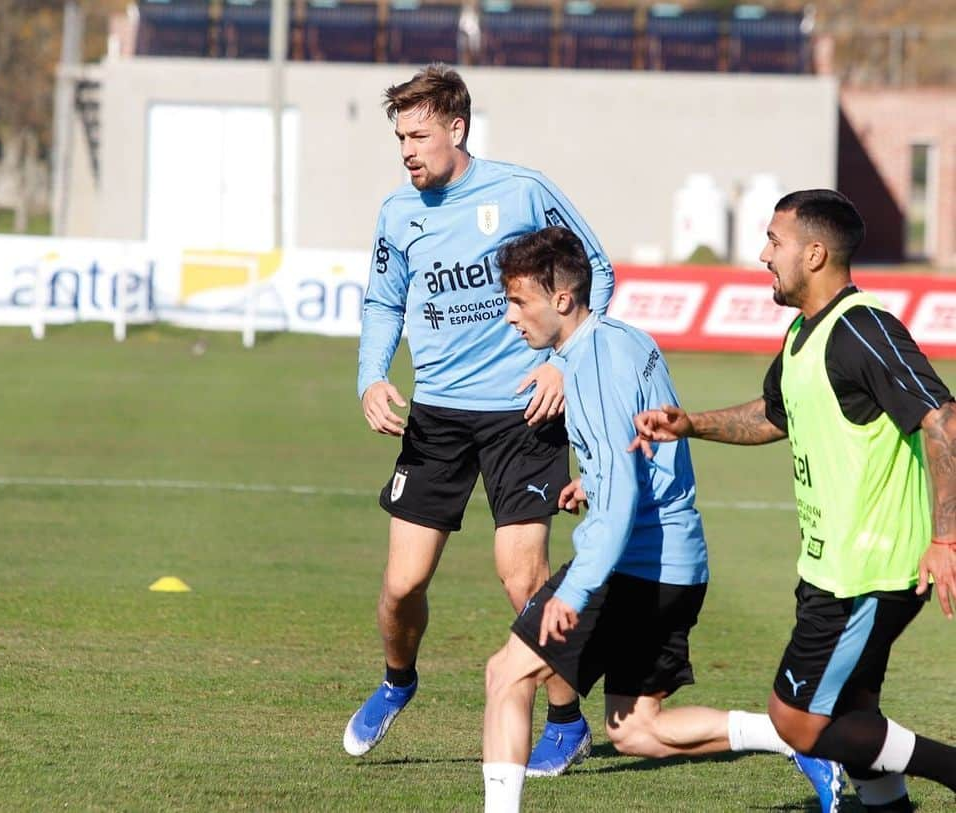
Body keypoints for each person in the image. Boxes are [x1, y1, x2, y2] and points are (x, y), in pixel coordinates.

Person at [481, 225, 844, 812]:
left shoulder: (592, 365)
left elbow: (623, 498)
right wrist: (592, 481)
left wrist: (574, 589)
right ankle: (795, 739)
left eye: (519, 301)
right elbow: (636, 453)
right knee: (636, 729)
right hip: (676, 563)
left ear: (563, 299)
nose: (509, 316)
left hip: (630, 564)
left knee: (506, 675)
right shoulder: (623, 339)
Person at [632, 189, 956, 812]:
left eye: (774, 242)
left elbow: (941, 420)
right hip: (829, 564)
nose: (762, 254)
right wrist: (691, 423)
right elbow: (776, 414)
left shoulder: (863, 327)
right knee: (854, 710)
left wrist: (945, 538)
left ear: (814, 253)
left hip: (869, 569)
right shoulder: (805, 333)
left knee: (796, 721)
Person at [344, 64, 614, 776]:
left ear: (457, 129)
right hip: (434, 416)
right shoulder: (397, 213)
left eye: (419, 133)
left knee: (522, 578)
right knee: (402, 585)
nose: (407, 149)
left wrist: (566, 361)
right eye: (399, 135)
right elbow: (382, 302)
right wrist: (371, 375)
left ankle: (566, 718)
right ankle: (399, 679)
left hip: (522, 413)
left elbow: (598, 270)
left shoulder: (520, 191)